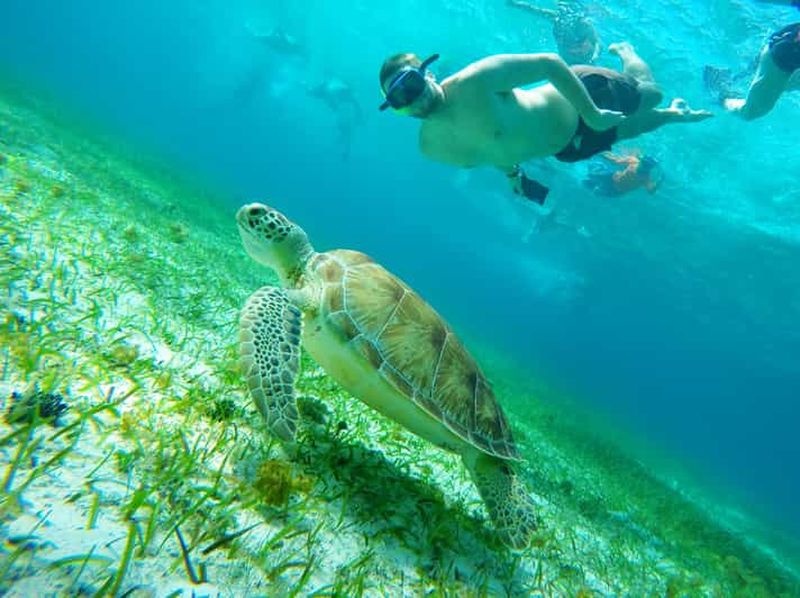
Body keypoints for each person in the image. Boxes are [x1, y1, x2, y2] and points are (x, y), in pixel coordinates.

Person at [377, 44, 711, 205]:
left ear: (428, 74)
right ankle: (673, 114)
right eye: (399, 100)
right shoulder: (431, 147)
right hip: (566, 148)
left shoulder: (474, 82)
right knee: (636, 128)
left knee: (650, 95)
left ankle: (628, 54)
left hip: (582, 98)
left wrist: (592, 114)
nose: (412, 99)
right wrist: (512, 176)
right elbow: (491, 148)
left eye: (411, 85)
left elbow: (549, 64)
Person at [720, 22, 800, 119]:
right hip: (783, 59)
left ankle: (747, 72)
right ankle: (721, 96)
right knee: (751, 112)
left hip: (787, 56)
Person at [507, 0, 601, 65]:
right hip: (566, 57)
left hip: (583, 59)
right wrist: (517, 4)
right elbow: (535, 10)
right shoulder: (556, 18)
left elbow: (597, 42)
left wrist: (595, 56)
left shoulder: (584, 24)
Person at [308, 79, 363, 160]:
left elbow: (354, 104)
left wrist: (359, 117)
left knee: (346, 132)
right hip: (342, 112)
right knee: (346, 132)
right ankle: (343, 149)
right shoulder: (336, 89)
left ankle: (343, 150)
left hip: (343, 114)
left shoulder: (341, 91)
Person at [583, 150, 662, 197]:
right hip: (612, 177)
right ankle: (596, 168)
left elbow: (651, 191)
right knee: (590, 176)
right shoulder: (634, 161)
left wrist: (658, 183)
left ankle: (595, 179)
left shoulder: (645, 178)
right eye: (644, 164)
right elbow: (615, 160)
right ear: (641, 162)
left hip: (616, 191)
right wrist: (600, 151)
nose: (644, 168)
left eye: (647, 167)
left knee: (594, 189)